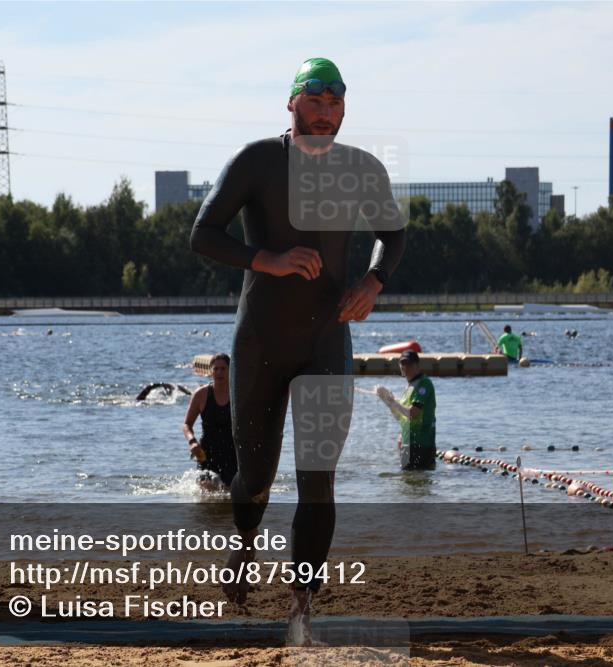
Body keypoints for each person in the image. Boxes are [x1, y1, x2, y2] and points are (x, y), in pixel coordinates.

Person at [188, 57, 405, 643]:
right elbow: (203, 233)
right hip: (259, 342)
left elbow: (395, 234)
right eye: (315, 99)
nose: (326, 111)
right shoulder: (257, 161)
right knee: (254, 480)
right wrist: (269, 259)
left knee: (317, 480)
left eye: (336, 102)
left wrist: (373, 282)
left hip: (325, 341)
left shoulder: (361, 169)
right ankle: (243, 546)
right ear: (291, 103)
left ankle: (301, 606)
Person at [182, 354, 237, 491]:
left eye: (223, 369)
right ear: (210, 371)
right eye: (216, 369)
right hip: (207, 452)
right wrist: (192, 442)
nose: (219, 372)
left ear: (230, 370)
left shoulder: (237, 393)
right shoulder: (201, 394)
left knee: (228, 494)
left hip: (232, 452)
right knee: (205, 493)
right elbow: (186, 425)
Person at [376, 350, 437, 470]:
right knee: (406, 485)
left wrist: (393, 402)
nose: (405, 367)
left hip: (421, 445)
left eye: (409, 364)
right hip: (407, 445)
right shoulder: (408, 387)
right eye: (402, 364)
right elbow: (400, 417)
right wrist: (386, 400)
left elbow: (412, 413)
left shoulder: (424, 384)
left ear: (417, 365)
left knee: (418, 484)